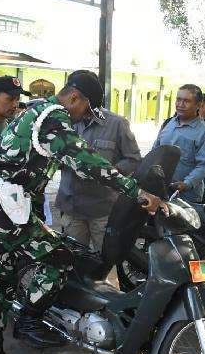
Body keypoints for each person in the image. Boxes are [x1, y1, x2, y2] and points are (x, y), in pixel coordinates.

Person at [0, 70, 162, 354]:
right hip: (1, 208)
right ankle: (29, 320)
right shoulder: (54, 117)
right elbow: (88, 162)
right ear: (74, 97)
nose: (86, 116)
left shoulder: (35, 110)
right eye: (87, 108)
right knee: (61, 257)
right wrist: (138, 193)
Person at [55, 108, 141, 252]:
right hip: (72, 207)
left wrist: (108, 172)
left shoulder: (117, 123)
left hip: (102, 210)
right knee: (74, 258)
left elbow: (134, 159)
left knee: (105, 258)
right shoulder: (65, 121)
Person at [152, 84, 205, 203]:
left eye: (186, 101)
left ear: (198, 105)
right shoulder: (169, 124)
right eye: (178, 100)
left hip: (186, 198)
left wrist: (187, 183)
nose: (180, 104)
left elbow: (204, 166)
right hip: (160, 191)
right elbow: (155, 151)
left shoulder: (204, 133)